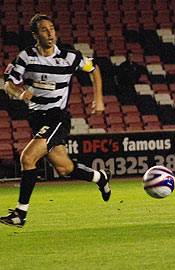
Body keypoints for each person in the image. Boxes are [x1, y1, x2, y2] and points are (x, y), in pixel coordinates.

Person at [0, 14, 111, 227]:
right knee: (65, 168)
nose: (50, 33)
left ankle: (20, 214)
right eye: (44, 29)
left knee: (28, 158)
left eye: (52, 28)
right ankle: (100, 178)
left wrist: (98, 99)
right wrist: (20, 94)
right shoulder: (26, 57)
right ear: (35, 34)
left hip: (57, 118)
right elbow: (9, 84)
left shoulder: (70, 56)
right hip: (36, 118)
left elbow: (94, 68)